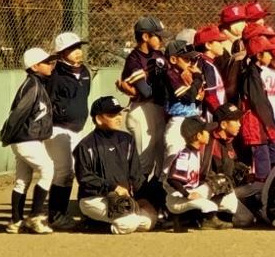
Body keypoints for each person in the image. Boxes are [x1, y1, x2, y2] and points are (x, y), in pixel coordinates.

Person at [72, 96, 156, 234]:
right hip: (94, 198)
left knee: (149, 221)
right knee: (129, 224)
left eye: (119, 113)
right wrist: (113, 187)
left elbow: (136, 174)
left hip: (123, 199)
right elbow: (84, 178)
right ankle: (91, 224)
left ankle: (110, 221)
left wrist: (142, 198)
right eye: (112, 114)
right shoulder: (86, 146)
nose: (118, 117)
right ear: (99, 119)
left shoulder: (127, 140)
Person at [0, 47, 57, 234]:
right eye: (46, 62)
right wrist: (7, 135)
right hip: (26, 139)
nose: (51, 65)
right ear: (34, 66)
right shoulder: (32, 86)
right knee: (48, 168)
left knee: (22, 180)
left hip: (26, 139)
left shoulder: (36, 83)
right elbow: (18, 114)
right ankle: (36, 217)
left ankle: (15, 221)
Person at [43, 31, 91, 226]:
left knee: (78, 169)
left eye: (78, 47)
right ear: (61, 53)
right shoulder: (55, 75)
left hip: (77, 129)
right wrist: (60, 114)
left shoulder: (85, 72)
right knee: (64, 170)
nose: (77, 52)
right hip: (58, 129)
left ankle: (79, 212)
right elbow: (48, 101)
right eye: (71, 49)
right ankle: (56, 215)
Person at [117, 16, 169, 180]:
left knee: (162, 158)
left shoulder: (159, 55)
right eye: (157, 35)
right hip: (142, 110)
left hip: (159, 109)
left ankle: (155, 199)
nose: (161, 39)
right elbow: (146, 92)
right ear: (145, 37)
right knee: (144, 161)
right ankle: (135, 199)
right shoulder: (134, 60)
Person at [164, 118, 234, 231]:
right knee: (210, 206)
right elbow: (172, 179)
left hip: (185, 195)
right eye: (206, 131)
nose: (209, 134)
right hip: (177, 199)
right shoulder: (184, 155)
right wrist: (187, 194)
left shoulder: (195, 152)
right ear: (198, 136)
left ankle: (184, 219)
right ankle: (204, 220)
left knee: (218, 182)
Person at [240, 35, 275, 182]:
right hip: (257, 123)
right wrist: (269, 124)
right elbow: (257, 102)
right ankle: (261, 191)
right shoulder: (251, 74)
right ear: (259, 55)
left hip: (264, 121)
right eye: (268, 53)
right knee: (263, 160)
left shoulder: (257, 72)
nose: (271, 56)